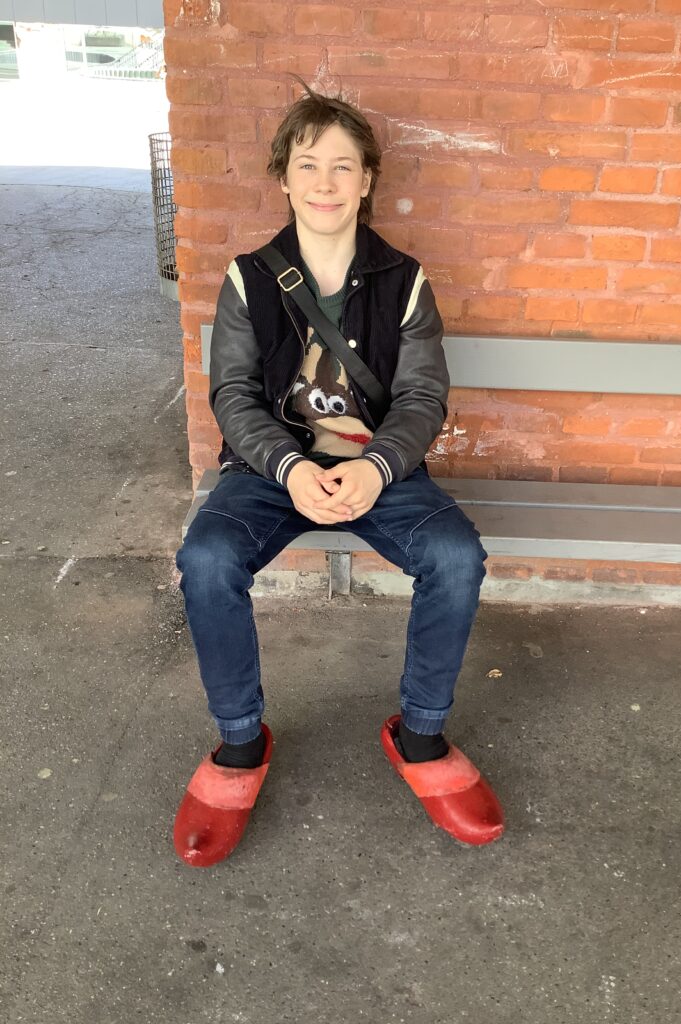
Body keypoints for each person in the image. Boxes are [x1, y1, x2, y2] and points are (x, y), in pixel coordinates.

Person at [173, 83, 503, 867]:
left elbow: (421, 396)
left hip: (379, 471)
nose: (325, 182)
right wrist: (288, 466)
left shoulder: (405, 280)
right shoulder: (249, 278)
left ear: (367, 181)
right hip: (271, 472)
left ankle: (421, 736)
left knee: (456, 557)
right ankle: (240, 744)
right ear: (284, 179)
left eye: (342, 166)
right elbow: (233, 394)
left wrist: (379, 466)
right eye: (308, 165)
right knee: (207, 559)